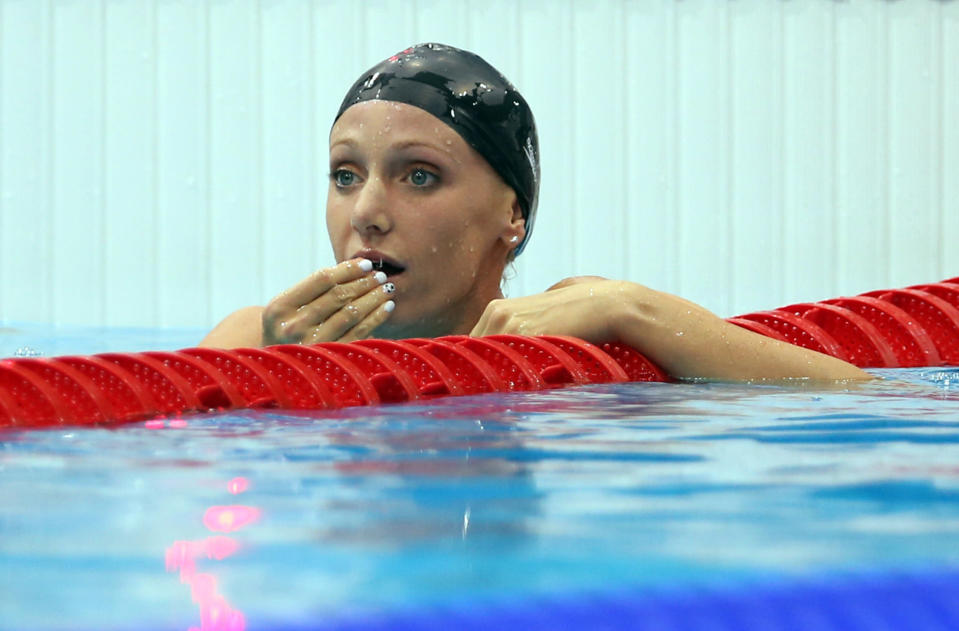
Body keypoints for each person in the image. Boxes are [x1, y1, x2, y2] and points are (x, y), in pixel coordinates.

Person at [201, 43, 869, 382]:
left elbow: (864, 401)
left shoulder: (587, 324)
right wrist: (280, 378)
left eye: (420, 176)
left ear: (511, 216)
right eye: (345, 175)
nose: (367, 212)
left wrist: (632, 311)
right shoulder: (254, 336)